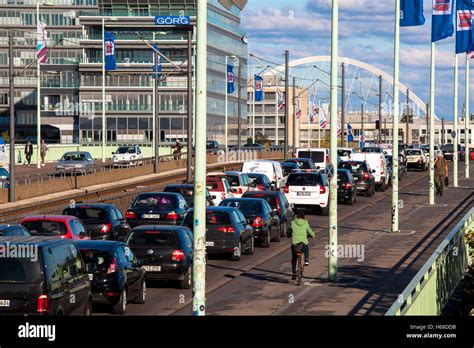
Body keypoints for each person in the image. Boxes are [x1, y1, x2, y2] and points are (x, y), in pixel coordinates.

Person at [289, 211, 316, 280]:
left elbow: (289, 231)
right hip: (303, 243)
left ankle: (293, 273)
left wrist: (289, 234)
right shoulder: (305, 223)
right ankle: (306, 260)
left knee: (294, 258)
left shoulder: (293, 222)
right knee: (306, 246)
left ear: (297, 217)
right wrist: (313, 235)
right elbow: (310, 231)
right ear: (303, 217)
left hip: (294, 244)